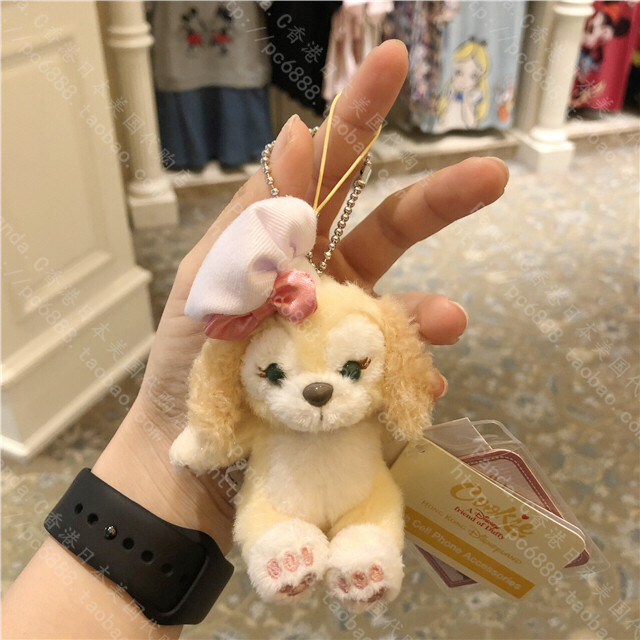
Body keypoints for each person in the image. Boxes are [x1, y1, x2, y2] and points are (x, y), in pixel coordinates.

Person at [2, 40, 508, 639]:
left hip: (362, 492)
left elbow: (401, 397)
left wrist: (404, 406)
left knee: (374, 517)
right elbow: (211, 426)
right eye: (274, 374)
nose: (319, 391)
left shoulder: (370, 358)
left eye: (352, 370)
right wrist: (177, 440)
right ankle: (285, 549)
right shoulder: (235, 353)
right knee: (267, 516)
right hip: (275, 493)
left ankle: (364, 555)